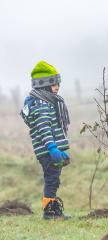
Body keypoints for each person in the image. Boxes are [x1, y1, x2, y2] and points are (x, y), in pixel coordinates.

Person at [20, 61, 71, 220]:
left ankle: (53, 209)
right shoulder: (42, 104)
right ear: (44, 85)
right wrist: (52, 148)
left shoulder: (44, 101)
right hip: (48, 150)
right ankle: (49, 212)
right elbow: (44, 127)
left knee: (53, 180)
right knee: (51, 180)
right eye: (54, 84)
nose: (57, 87)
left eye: (58, 83)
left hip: (50, 149)